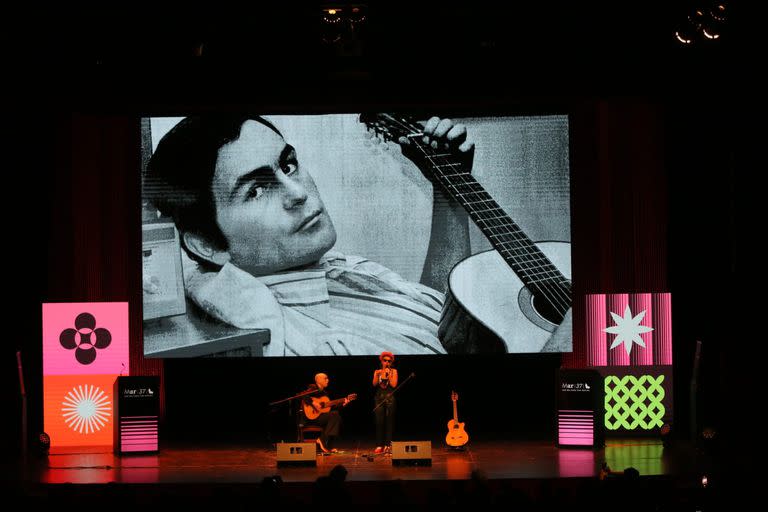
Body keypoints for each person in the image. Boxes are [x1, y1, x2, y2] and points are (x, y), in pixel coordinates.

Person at [145, 114, 474, 356]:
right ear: (207, 245)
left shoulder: (329, 267)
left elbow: (435, 319)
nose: (298, 193)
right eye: (257, 190)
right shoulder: (307, 345)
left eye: (287, 166)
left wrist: (449, 184)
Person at [301, 373, 351, 453]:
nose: (328, 380)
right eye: (325, 378)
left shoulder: (325, 393)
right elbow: (303, 395)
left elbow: (329, 409)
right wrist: (313, 403)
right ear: (318, 380)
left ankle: (326, 443)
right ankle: (324, 442)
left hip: (320, 417)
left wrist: (343, 404)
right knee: (335, 416)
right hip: (311, 417)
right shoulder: (313, 388)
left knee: (336, 416)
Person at [372, 351, 398, 454]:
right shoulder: (377, 371)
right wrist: (377, 375)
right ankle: (379, 445)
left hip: (390, 398)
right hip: (379, 398)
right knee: (379, 421)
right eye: (385, 360)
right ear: (381, 361)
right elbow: (374, 384)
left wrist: (389, 374)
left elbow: (394, 384)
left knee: (389, 422)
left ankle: (388, 445)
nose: (387, 362)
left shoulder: (394, 371)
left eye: (389, 361)